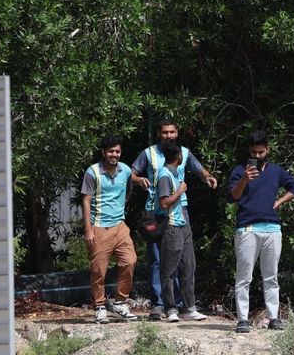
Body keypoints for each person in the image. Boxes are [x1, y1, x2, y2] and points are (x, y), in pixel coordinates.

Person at [131, 118, 217, 319]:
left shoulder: (183, 152)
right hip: (155, 212)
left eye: (172, 132)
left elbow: (198, 169)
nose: (169, 135)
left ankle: (181, 304)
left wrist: (208, 177)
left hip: (180, 211)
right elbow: (131, 173)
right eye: (165, 132)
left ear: (177, 133)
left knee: (183, 259)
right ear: (159, 134)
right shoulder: (149, 153)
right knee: (157, 259)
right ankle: (159, 305)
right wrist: (139, 180)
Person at [226, 130, 294, 333]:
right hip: (247, 228)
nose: (257, 156)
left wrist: (278, 202)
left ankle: (274, 317)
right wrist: (244, 179)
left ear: (267, 150)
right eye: (254, 152)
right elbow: (232, 196)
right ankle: (242, 319)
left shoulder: (276, 171)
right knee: (244, 276)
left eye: (261, 152)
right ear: (249, 151)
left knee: (271, 276)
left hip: (272, 228)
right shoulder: (239, 170)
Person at [80, 135, 149, 324]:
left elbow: (130, 178)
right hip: (99, 226)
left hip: (120, 226)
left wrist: (140, 180)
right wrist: (88, 229)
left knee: (130, 260)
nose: (114, 155)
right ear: (103, 152)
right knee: (98, 270)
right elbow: (85, 200)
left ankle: (120, 302)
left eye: (117, 151)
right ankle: (100, 306)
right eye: (111, 151)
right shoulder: (92, 172)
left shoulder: (125, 169)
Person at [154, 140, 206, 323]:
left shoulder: (175, 173)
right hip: (171, 226)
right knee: (169, 269)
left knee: (188, 266)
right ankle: (170, 308)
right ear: (179, 156)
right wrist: (181, 190)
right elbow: (164, 202)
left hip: (183, 224)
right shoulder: (164, 175)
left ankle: (189, 307)